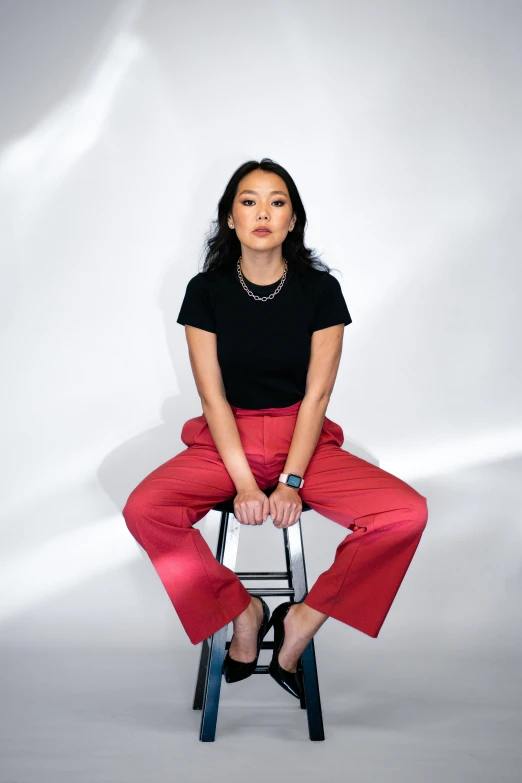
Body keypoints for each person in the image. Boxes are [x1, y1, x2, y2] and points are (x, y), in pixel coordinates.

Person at [122, 157, 428, 701]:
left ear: (292, 220)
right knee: (145, 509)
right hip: (225, 439)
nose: (263, 211)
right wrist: (244, 483)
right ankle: (242, 610)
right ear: (230, 219)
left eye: (277, 201)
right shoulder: (205, 291)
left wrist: (290, 481)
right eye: (248, 200)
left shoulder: (321, 292)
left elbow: (317, 395)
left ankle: (303, 619)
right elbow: (212, 397)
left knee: (405, 512)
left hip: (303, 441)